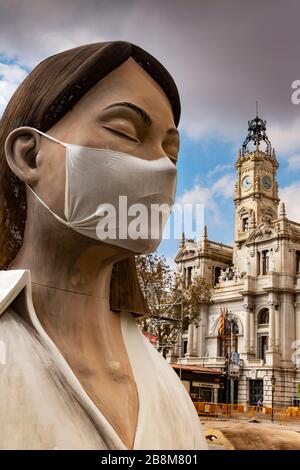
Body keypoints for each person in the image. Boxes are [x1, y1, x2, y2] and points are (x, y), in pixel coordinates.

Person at [0, 41, 207, 450]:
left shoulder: (168, 386)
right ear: (29, 155)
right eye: (126, 131)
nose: (163, 167)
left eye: (172, 153)